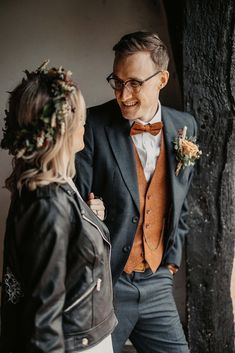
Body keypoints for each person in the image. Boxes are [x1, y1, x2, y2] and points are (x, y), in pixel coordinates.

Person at [75, 31, 201, 353]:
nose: (122, 94)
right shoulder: (93, 125)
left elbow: (181, 204)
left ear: (162, 80)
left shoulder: (184, 127)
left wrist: (171, 263)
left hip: (157, 282)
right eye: (116, 81)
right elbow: (76, 208)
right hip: (108, 285)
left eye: (134, 83)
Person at [0, 61, 117, 353]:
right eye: (78, 112)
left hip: (85, 335)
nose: (84, 120)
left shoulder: (55, 183)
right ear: (59, 128)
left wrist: (87, 218)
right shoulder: (48, 202)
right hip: (73, 344)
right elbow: (43, 319)